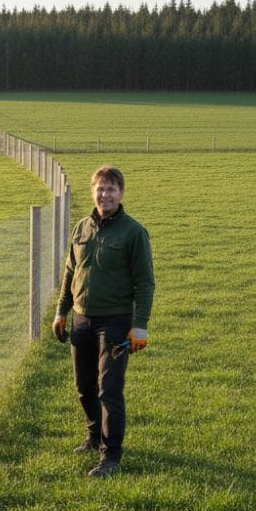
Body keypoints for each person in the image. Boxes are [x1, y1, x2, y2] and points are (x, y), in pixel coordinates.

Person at [52, 165, 154, 478]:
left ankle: (111, 457)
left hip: (115, 322)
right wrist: (61, 311)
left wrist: (139, 327)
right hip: (82, 320)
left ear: (121, 194)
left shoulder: (133, 232)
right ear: (93, 192)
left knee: (109, 389)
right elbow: (71, 272)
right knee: (84, 387)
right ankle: (94, 437)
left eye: (111, 189)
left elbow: (145, 282)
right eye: (100, 188)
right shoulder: (82, 227)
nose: (105, 194)